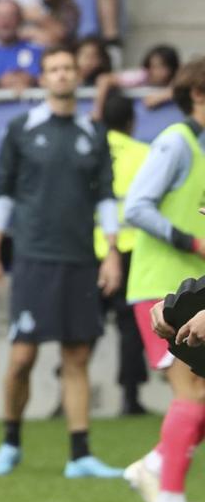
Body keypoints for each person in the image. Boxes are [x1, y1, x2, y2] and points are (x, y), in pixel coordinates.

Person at [0, 45, 124, 479]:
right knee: (22, 356)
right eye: (54, 69)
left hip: (80, 257)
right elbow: (3, 194)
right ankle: (10, 442)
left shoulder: (93, 133)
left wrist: (111, 253)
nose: (62, 75)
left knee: (77, 355)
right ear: (43, 77)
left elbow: (105, 198)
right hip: (33, 257)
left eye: (68, 69)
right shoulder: (22, 128)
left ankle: (80, 454)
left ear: (77, 76)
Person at [121, 57, 205, 502]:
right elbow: (136, 206)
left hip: (192, 287)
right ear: (197, 94)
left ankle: (154, 467)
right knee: (190, 389)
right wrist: (193, 241)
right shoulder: (175, 141)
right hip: (162, 290)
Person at [95, 91, 149, 416]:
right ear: (132, 120)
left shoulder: (92, 150)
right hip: (130, 248)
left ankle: (66, 395)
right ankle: (131, 397)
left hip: (92, 247)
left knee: (82, 327)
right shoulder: (144, 153)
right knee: (130, 326)